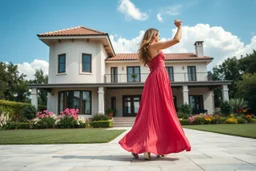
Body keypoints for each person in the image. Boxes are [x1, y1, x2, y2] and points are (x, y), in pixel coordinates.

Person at [118, 19, 191, 160]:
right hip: (158, 79)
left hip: (154, 79)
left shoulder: (149, 49)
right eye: (158, 35)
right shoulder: (154, 46)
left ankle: (151, 147)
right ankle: (148, 147)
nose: (159, 37)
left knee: (154, 113)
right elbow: (177, 39)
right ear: (153, 36)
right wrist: (180, 26)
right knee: (161, 111)